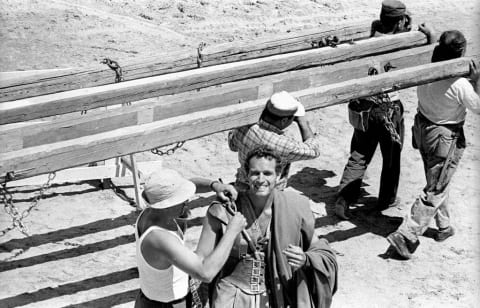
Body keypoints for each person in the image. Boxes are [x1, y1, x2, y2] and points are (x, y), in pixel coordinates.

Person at [197, 147, 338, 307]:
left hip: (276, 296)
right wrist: (214, 185)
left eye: (268, 173)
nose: (260, 179)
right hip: (231, 296)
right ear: (246, 174)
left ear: (279, 175)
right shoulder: (225, 210)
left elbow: (318, 249)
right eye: (255, 173)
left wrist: (305, 259)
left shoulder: (295, 207)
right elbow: (199, 262)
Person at [334, 0, 435, 219]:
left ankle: (344, 198)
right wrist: (429, 35)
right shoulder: (401, 44)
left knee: (359, 153)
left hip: (363, 106)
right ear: (400, 21)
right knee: (391, 156)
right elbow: (429, 59)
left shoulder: (369, 40)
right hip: (388, 108)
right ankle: (386, 199)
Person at [387, 30, 480, 259]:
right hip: (444, 136)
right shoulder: (460, 85)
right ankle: (406, 234)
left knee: (438, 179)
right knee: (436, 187)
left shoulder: (427, 72)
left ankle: (444, 227)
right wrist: (476, 83)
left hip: (423, 128)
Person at [134, 168, 247, 307]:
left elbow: (192, 184)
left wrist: (215, 185)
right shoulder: (159, 238)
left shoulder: (152, 212)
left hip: (151, 297)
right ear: (167, 205)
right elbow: (206, 273)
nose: (186, 201)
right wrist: (232, 231)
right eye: (181, 200)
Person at [228, 90, 321, 191]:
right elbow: (314, 151)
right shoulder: (284, 144)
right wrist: (303, 123)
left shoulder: (245, 127)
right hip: (268, 192)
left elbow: (233, 146)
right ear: (284, 121)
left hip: (243, 184)